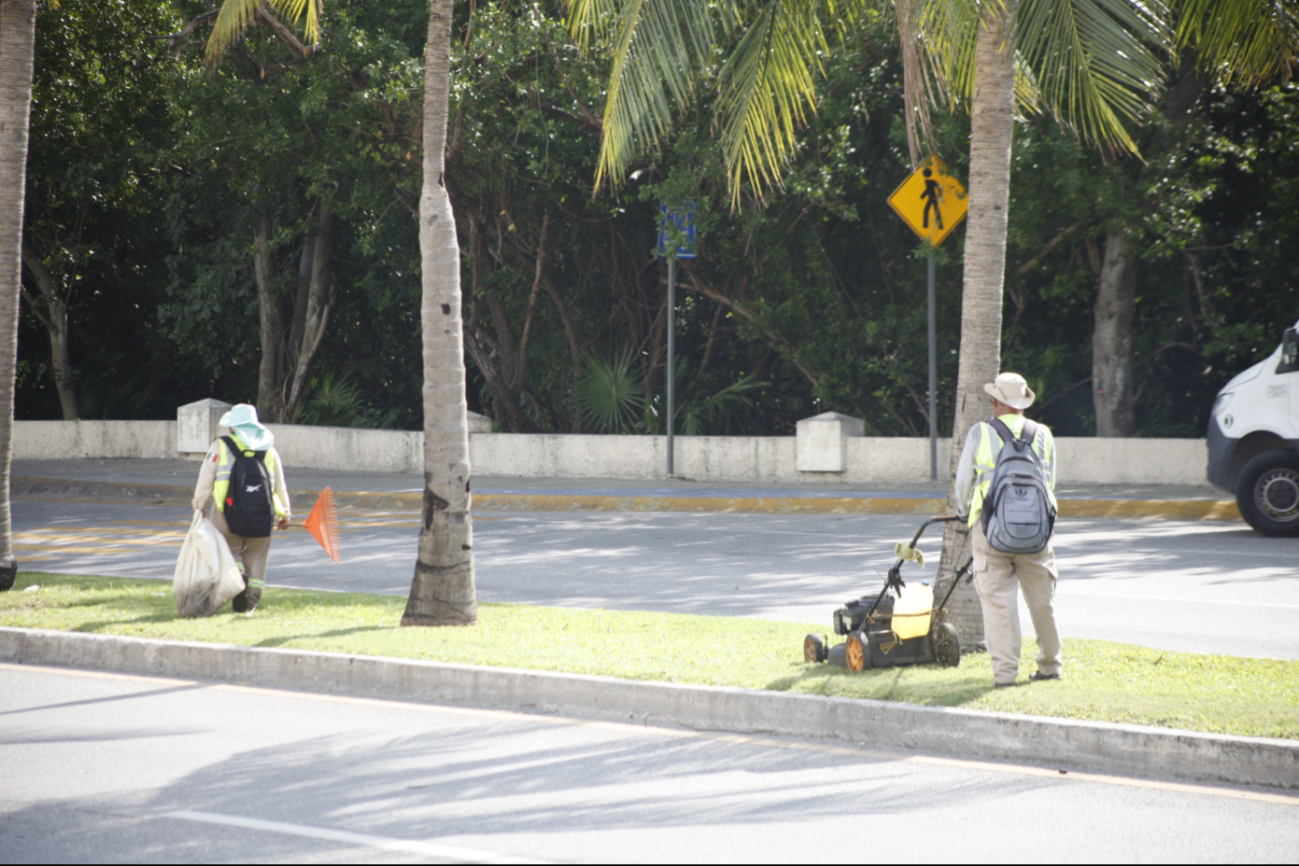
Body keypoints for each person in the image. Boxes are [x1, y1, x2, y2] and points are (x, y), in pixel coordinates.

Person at [954, 372, 1062, 688]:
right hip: (1037, 533)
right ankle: (1049, 666)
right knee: (1042, 601)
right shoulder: (1042, 434)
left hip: (990, 532)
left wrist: (964, 513)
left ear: (997, 402)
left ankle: (1005, 676)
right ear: (1022, 404)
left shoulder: (980, 433)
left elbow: (964, 484)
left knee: (999, 603)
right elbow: (1050, 483)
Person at [192, 404, 290, 614]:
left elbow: (205, 478)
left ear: (232, 428)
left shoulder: (220, 446)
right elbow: (279, 486)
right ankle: (250, 603)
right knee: (257, 558)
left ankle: (236, 584)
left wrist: (198, 505)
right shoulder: (269, 450)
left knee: (230, 554)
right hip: (262, 516)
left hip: (226, 516)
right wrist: (285, 514)